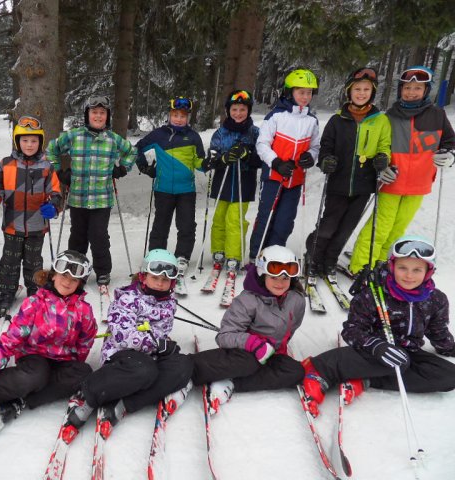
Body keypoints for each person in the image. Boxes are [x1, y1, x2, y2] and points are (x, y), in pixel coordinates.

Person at [302, 235, 455, 417]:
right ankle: (321, 368)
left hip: (407, 352)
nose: (409, 275)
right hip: (372, 351)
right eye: (402, 268)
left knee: (449, 376)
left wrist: (449, 348)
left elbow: (438, 332)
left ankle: (367, 379)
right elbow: (352, 330)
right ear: (392, 266)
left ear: (428, 272)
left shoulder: (436, 299)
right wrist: (375, 345)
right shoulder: (374, 293)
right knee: (401, 361)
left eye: (417, 270)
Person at [0, 250, 97, 429]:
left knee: (83, 373)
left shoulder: (83, 310)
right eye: (63, 276)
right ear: (53, 275)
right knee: (37, 376)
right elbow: (9, 342)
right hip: (34, 358)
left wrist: (74, 363)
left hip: (63, 361)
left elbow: (85, 341)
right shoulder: (35, 303)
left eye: (74, 280)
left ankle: (23, 398)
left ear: (80, 284)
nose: (67, 282)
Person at [63, 249, 193, 437]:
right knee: (145, 369)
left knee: (183, 365)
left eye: (165, 280)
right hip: (122, 356)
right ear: (144, 276)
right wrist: (157, 344)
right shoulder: (127, 298)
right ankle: (90, 394)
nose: (160, 283)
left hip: (150, 357)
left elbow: (161, 331)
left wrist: (165, 346)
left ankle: (124, 404)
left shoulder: (169, 303)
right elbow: (122, 335)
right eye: (155, 277)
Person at [349, 66, 455, 273]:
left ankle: (382, 261)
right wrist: (381, 167)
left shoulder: (437, 115)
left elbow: (450, 142)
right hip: (392, 181)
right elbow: (379, 147)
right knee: (380, 227)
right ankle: (361, 266)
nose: (411, 92)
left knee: (398, 228)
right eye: (407, 87)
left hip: (419, 184)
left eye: (417, 88)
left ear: (426, 90)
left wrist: (449, 154)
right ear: (400, 90)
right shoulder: (390, 116)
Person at [191, 245, 306, 413]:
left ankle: (231, 382)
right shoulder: (247, 301)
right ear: (262, 274)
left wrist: (277, 348)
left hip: (271, 354)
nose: (280, 283)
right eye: (274, 277)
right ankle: (200, 370)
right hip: (245, 352)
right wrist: (254, 344)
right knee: (248, 364)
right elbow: (224, 336)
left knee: (295, 372)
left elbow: (292, 327)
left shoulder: (297, 300)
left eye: (285, 278)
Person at [304, 68, 391, 278]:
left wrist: (383, 158)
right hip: (338, 182)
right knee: (329, 225)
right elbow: (326, 147)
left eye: (366, 89)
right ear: (349, 92)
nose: (361, 93)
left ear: (372, 92)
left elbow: (385, 145)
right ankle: (313, 257)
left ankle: (330, 260)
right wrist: (326, 160)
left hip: (364, 184)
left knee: (346, 227)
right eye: (357, 89)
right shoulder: (337, 120)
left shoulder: (381, 120)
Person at [46, 95, 137, 287]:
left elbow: (132, 152)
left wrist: (122, 168)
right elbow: (51, 149)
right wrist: (59, 172)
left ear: (107, 116)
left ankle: (103, 271)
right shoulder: (74, 136)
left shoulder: (112, 139)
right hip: (77, 197)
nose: (98, 116)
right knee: (78, 236)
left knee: (99, 236)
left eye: (102, 113)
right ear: (87, 114)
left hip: (102, 199)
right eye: (94, 112)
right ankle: (75, 270)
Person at [0, 116, 62, 313]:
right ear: (17, 141)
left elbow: (56, 192)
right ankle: (7, 292)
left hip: (37, 225)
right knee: (9, 261)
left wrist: (53, 206)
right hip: (12, 224)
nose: (29, 144)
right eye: (25, 140)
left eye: (34, 140)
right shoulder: (6, 164)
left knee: (33, 262)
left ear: (40, 142)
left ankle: (35, 291)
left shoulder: (46, 166)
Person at [249, 69, 321, 262]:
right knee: (266, 217)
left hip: (295, 181)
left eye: (309, 92)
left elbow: (315, 146)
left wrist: (310, 157)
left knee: (285, 221)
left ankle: (274, 256)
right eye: (301, 92)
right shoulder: (276, 116)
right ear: (290, 92)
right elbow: (262, 144)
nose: (305, 97)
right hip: (273, 177)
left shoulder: (312, 121)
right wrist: (276, 162)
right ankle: (256, 255)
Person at [135, 96, 207, 275]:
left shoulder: (193, 137)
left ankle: (182, 256)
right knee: (161, 224)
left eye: (183, 116)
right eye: (175, 115)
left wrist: (210, 163)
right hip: (163, 189)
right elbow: (137, 148)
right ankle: (156, 255)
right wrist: (144, 167)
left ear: (188, 118)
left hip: (186, 190)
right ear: (169, 115)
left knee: (187, 225)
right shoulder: (159, 135)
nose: (179, 119)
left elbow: (199, 162)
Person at [206, 89, 262, 271]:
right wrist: (222, 158)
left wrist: (246, 154)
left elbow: (260, 160)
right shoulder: (220, 133)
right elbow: (212, 158)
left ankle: (234, 255)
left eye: (242, 109)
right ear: (228, 111)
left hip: (243, 183)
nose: (238, 113)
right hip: (223, 181)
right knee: (219, 218)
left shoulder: (255, 133)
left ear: (248, 111)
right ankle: (218, 250)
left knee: (235, 220)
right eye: (234, 109)